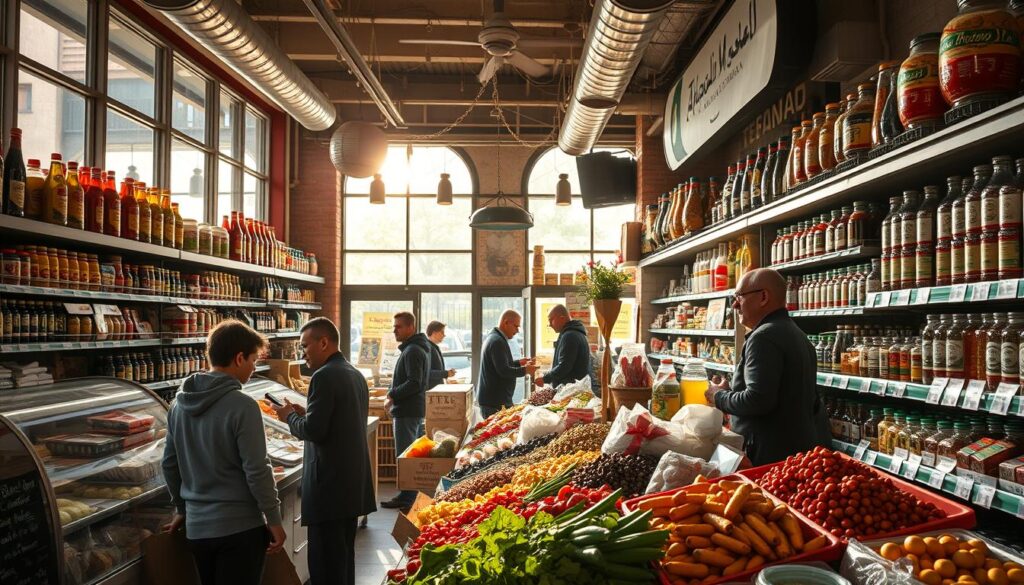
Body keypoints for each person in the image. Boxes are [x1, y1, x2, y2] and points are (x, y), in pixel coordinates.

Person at [161, 320, 285, 585]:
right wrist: (274, 519)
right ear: (239, 358)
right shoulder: (243, 406)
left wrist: (182, 507)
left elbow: (169, 464)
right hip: (240, 528)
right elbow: (257, 469)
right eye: (253, 360)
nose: (253, 368)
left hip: (197, 530)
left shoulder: (177, 405)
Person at [270, 317, 375, 585]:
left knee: (325, 566)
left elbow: (314, 432)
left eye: (305, 346)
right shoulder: (354, 373)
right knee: (343, 560)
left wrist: (288, 418)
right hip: (351, 486)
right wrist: (306, 413)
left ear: (324, 342)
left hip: (329, 488)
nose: (302, 353)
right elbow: (337, 420)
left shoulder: (323, 376)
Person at [704, 268, 831, 466]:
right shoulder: (797, 334)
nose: (735, 305)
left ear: (763, 297)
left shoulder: (763, 337)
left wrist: (718, 396)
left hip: (766, 455)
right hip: (791, 451)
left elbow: (757, 400)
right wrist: (730, 391)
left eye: (739, 297)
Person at [381, 311, 432, 511]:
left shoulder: (412, 351)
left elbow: (414, 382)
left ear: (411, 327)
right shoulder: (415, 348)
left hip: (407, 411)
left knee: (406, 456)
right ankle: (409, 494)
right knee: (411, 454)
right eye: (394, 327)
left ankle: (408, 496)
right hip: (412, 409)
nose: (395, 330)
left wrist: (392, 394)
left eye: (398, 327)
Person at [478, 310, 537, 418]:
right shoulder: (497, 341)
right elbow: (503, 371)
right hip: (493, 404)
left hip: (494, 402)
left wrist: (519, 363)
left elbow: (500, 365)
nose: (517, 331)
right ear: (506, 323)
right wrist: (526, 370)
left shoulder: (496, 338)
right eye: (516, 326)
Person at [534, 304, 592, 389]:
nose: (549, 324)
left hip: (569, 390)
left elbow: (565, 366)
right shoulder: (575, 333)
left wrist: (545, 379)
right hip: (574, 388)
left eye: (551, 320)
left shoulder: (570, 336)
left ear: (562, 318)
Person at [426, 320, 456, 389]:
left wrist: (446, 378)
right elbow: (427, 373)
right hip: (432, 391)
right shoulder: (428, 348)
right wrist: (446, 373)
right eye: (442, 332)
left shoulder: (433, 347)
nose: (444, 335)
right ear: (434, 333)